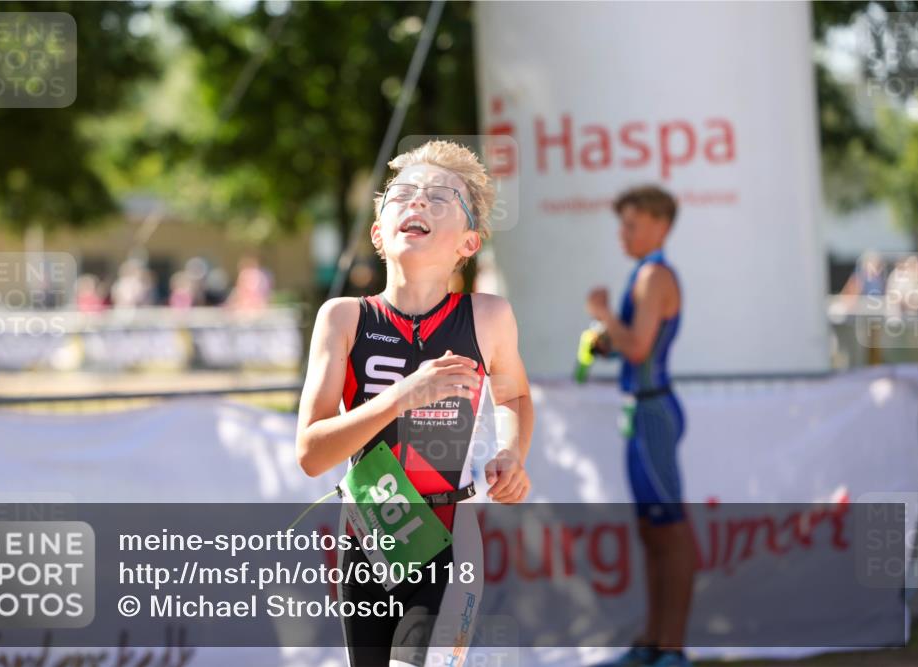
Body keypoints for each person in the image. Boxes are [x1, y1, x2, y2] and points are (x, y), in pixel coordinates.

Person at [295, 140, 534, 667]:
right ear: (378, 233)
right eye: (403, 194)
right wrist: (403, 396)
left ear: (468, 242)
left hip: (448, 534)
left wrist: (512, 452)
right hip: (366, 533)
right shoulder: (343, 318)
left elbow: (514, 394)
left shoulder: (488, 316)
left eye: (440, 197)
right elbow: (311, 453)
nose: (418, 202)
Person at [586, 185, 694, 667]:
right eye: (622, 224)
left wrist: (604, 314)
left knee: (671, 531)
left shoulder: (654, 275)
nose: (622, 234)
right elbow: (630, 345)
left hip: (653, 413)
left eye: (631, 225)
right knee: (652, 531)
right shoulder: (644, 273)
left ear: (660, 226)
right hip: (642, 411)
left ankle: (672, 648)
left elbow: (639, 347)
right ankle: (653, 642)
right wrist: (605, 341)